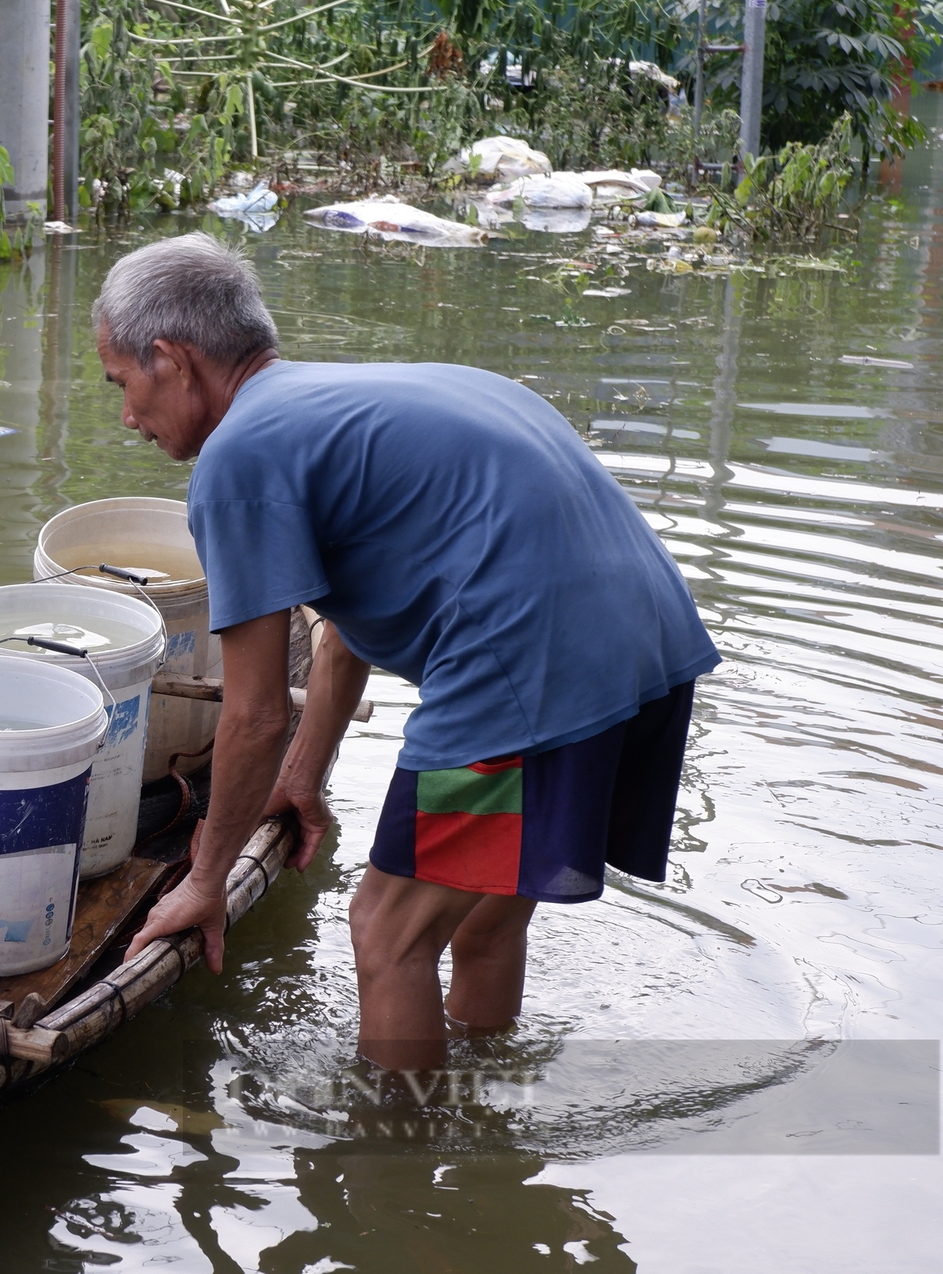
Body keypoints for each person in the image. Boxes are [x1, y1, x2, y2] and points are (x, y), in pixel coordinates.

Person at [116, 234, 719, 1068]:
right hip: (651, 650)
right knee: (480, 923)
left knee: (386, 933)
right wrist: (302, 778)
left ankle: (397, 1174)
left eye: (123, 385)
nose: (127, 416)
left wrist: (204, 881)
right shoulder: (351, 403)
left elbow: (253, 715)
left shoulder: (239, 458)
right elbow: (339, 640)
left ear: (169, 359)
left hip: (530, 672)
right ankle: (481, 1129)